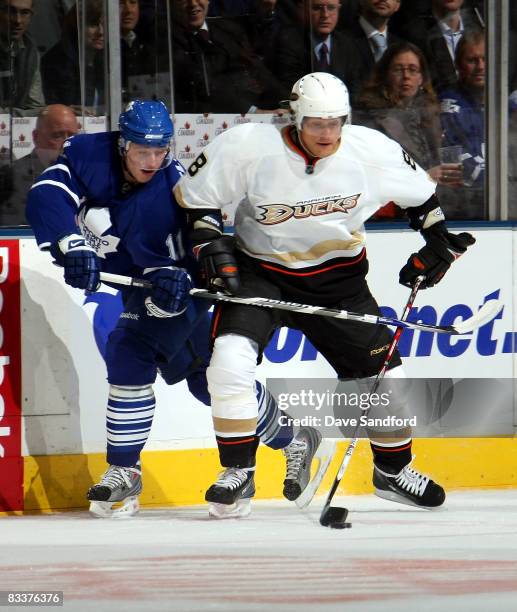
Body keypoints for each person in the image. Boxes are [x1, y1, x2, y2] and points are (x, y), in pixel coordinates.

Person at [174, 72, 476, 517]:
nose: (328, 133)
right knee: (228, 362)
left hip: (339, 281)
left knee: (386, 382)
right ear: (295, 117)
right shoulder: (249, 147)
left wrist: (438, 242)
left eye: (336, 122)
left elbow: (423, 202)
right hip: (260, 273)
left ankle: (393, 473)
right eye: (317, 123)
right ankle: (238, 472)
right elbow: (197, 202)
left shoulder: (369, 150)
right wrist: (208, 247)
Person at [26, 99, 328, 518]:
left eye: (160, 150)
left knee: (130, 351)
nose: (152, 160)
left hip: (177, 285)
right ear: (122, 145)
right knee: (208, 380)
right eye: (141, 150)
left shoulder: (173, 193)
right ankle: (295, 439)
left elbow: (194, 258)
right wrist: (68, 242)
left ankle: (124, 470)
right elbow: (48, 193)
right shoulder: (89, 153)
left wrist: (175, 283)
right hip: (133, 280)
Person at [355, 42, 462, 217]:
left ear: (421, 78)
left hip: (438, 209)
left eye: (413, 70)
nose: (406, 76)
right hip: (394, 217)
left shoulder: (432, 113)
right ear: (385, 75)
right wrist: (425, 178)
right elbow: (374, 180)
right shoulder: (369, 118)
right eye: (398, 69)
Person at [0, 104, 80, 226]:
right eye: (57, 136)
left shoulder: (86, 177)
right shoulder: (11, 178)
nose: (67, 144)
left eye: (73, 137)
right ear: (36, 137)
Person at [439, 29, 485, 219]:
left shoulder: (507, 105)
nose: (480, 66)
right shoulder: (448, 106)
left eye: (485, 59)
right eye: (472, 60)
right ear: (458, 65)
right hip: (465, 207)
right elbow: (455, 166)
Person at [41, 0, 105, 113]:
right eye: (93, 24)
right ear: (77, 26)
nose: (101, 31)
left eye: (105, 24)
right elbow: (49, 111)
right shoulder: (55, 63)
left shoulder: (106, 60)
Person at [0, 0, 45, 114]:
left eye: (25, 12)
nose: (18, 20)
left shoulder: (30, 51)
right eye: (10, 11)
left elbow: (35, 105)